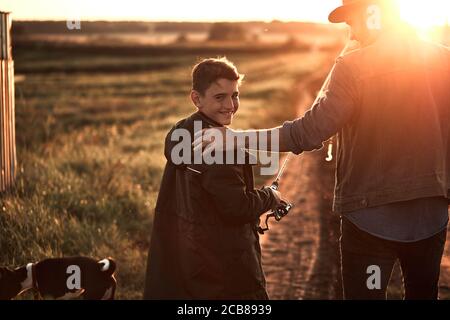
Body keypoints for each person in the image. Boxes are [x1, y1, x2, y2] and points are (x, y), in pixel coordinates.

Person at [195, 0, 450, 299]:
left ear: (372, 15)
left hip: (369, 219)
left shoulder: (353, 66)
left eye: (351, 21)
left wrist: (237, 140)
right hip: (431, 217)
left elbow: (309, 131)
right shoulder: (443, 59)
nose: (352, 33)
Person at [143, 57, 283, 299]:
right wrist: (271, 196)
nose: (230, 105)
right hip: (226, 273)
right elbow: (238, 208)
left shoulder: (183, 130)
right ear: (196, 98)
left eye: (235, 95)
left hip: (192, 264)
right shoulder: (221, 147)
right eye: (220, 97)